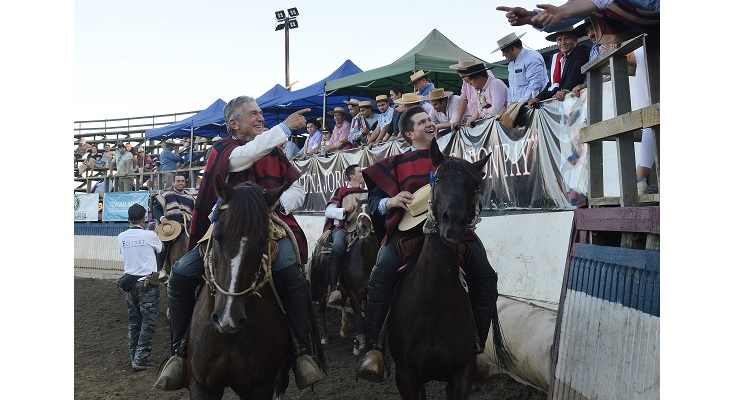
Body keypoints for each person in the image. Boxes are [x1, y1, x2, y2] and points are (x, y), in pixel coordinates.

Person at [154, 96, 325, 391]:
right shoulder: (224, 148)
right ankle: (178, 352)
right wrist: (284, 127)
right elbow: (244, 156)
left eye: (261, 114)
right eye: (253, 114)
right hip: (226, 227)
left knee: (290, 271)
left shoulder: (274, 151)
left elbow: (297, 186)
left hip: (269, 225)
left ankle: (301, 351)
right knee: (180, 274)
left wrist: (279, 203)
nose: (260, 118)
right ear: (234, 124)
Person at [355, 105, 502, 384]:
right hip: (407, 234)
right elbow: (373, 202)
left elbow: (472, 191)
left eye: (430, 120)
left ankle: (478, 349)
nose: (430, 124)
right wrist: (391, 201)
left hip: (452, 232)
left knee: (485, 275)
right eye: (422, 122)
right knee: (380, 275)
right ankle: (374, 349)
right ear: (409, 133)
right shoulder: (393, 164)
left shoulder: (452, 162)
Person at [117, 203, 163, 371]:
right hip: (147, 283)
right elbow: (160, 248)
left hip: (129, 283)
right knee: (149, 321)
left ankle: (133, 355)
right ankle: (141, 358)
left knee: (134, 320)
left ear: (129, 219)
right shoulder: (150, 235)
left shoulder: (121, 236)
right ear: (144, 219)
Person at [322, 164, 367, 307]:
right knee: (338, 247)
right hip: (344, 228)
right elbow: (328, 211)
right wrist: (344, 209)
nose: (363, 173)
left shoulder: (367, 191)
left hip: (364, 228)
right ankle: (334, 288)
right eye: (360, 171)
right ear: (352, 176)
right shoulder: (341, 190)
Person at [527, 27, 589, 107]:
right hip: (564, 104)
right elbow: (552, 84)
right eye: (559, 40)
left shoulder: (581, 50)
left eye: (566, 38)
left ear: (575, 40)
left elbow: (577, 72)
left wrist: (565, 90)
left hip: (580, 100)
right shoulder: (556, 59)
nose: (563, 42)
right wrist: (538, 98)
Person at [152, 174, 195, 281]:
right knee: (163, 243)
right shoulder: (166, 195)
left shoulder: (191, 198)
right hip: (171, 225)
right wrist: (162, 218)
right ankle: (160, 269)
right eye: (178, 181)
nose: (181, 183)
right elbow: (156, 209)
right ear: (173, 183)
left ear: (185, 183)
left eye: (182, 181)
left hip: (187, 224)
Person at [464, 62, 508, 128]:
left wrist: (485, 111)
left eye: (471, 80)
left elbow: (496, 110)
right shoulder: (478, 90)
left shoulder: (495, 84)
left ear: (479, 78)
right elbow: (480, 111)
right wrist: (487, 112)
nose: (470, 83)